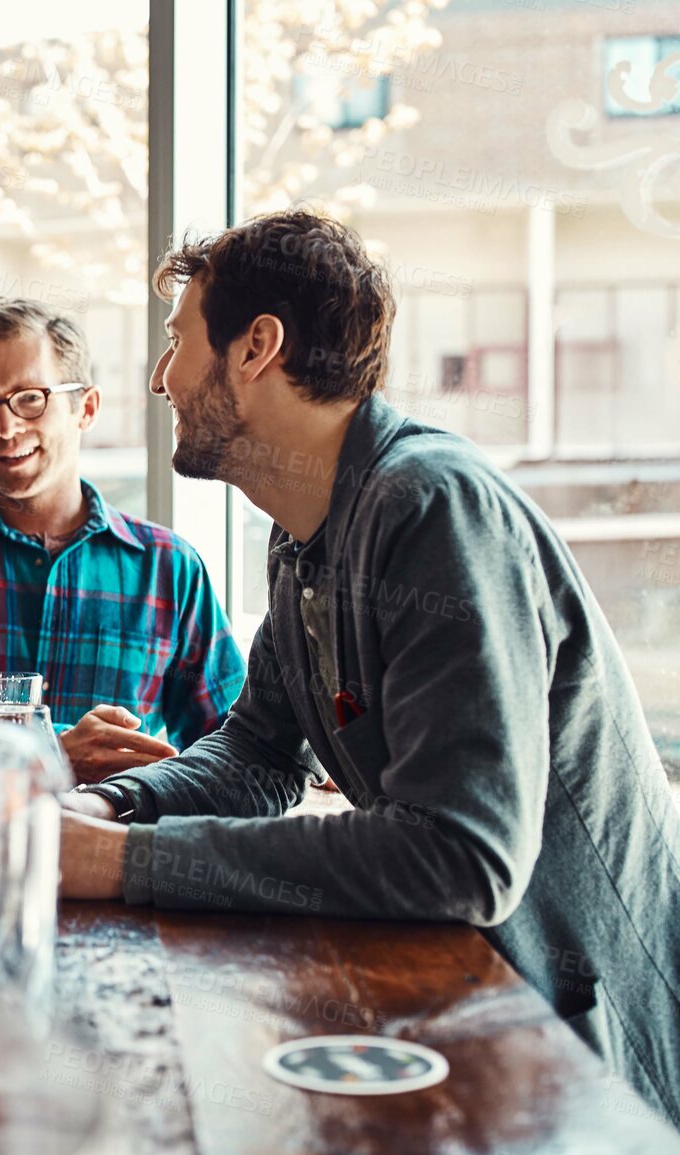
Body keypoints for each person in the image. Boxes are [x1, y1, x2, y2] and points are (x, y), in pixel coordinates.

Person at [58, 209, 680, 1123]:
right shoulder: (309, 530)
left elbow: (460, 854)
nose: (161, 378)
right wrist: (103, 806)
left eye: (176, 341)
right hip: (465, 1011)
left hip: (582, 1062)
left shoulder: (433, 507)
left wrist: (126, 860)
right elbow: (259, 753)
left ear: (256, 347)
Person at [0, 298, 245, 780]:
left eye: (30, 398)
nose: (5, 428)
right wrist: (50, 755)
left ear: (87, 407)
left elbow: (232, 747)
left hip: (119, 849)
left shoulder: (170, 568)